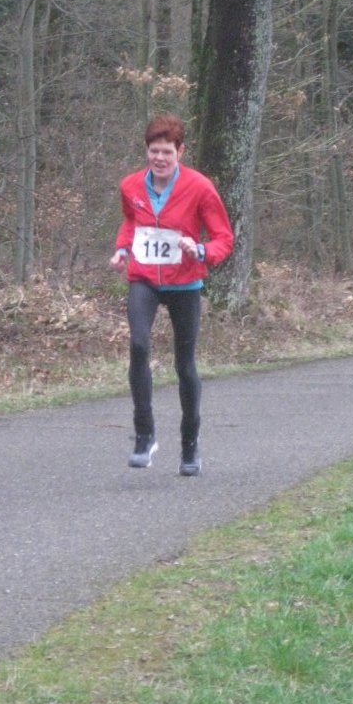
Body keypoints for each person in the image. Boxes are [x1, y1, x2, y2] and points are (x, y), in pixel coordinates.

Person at [109, 113, 234, 476]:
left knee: (185, 365)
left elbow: (223, 238)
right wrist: (122, 250)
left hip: (185, 283)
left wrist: (201, 251)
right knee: (138, 346)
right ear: (146, 151)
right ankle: (144, 435)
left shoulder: (200, 187)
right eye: (154, 151)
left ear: (180, 151)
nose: (159, 158)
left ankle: (190, 443)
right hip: (144, 278)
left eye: (166, 152)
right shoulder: (131, 185)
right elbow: (131, 222)